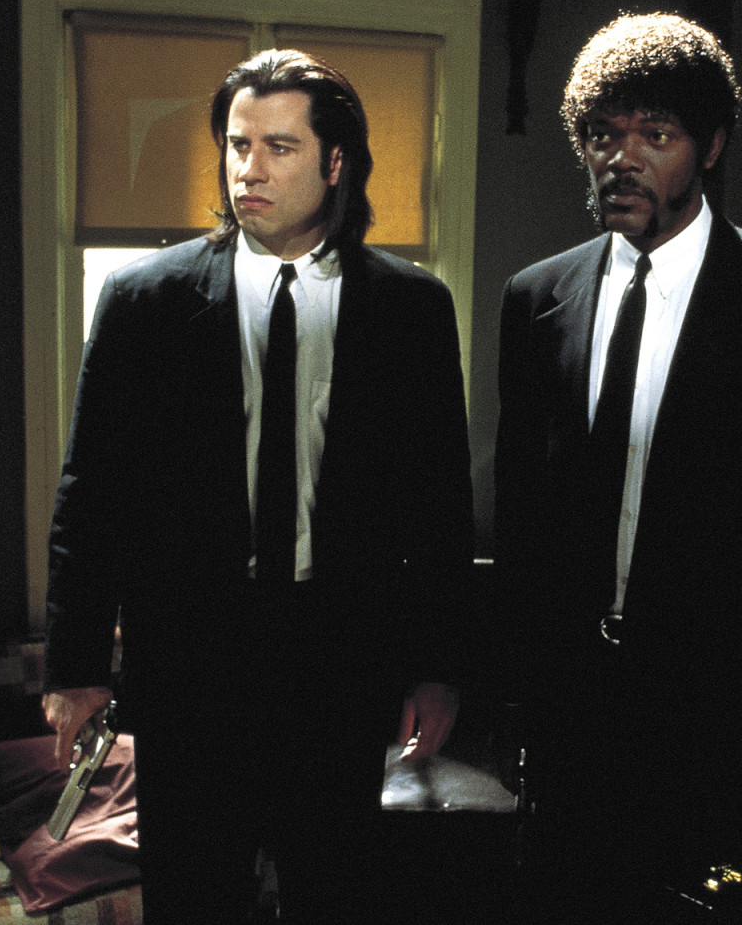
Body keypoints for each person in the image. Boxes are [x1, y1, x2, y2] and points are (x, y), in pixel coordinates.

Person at [41, 49, 474, 924]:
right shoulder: (142, 301)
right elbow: (91, 495)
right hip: (193, 663)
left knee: (334, 893)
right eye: (238, 145)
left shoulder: (411, 308)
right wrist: (77, 667)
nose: (249, 169)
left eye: (279, 147)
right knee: (193, 898)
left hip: (338, 664)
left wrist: (438, 667)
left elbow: (439, 510)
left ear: (336, 161)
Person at [494, 13, 742, 923]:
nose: (622, 159)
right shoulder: (536, 297)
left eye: (655, 135)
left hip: (717, 721)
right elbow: (523, 519)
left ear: (711, 147)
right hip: (571, 717)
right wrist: (517, 702)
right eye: (602, 134)